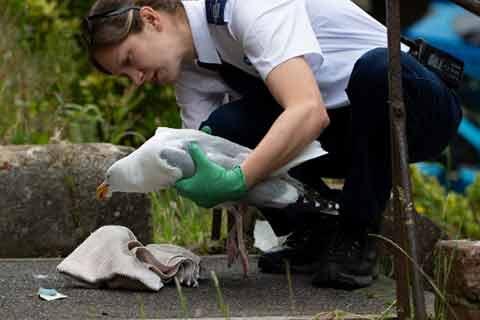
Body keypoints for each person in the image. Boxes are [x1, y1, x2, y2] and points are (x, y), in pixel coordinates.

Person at [81, 0, 462, 289]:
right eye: (124, 75)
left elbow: (309, 111)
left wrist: (239, 180)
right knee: (223, 128)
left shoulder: (247, 7)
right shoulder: (192, 65)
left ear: (151, 18)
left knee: (376, 71)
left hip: (412, 106)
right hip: (345, 130)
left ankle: (355, 234)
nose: (137, 79)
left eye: (130, 59)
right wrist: (212, 187)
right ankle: (314, 231)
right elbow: (202, 150)